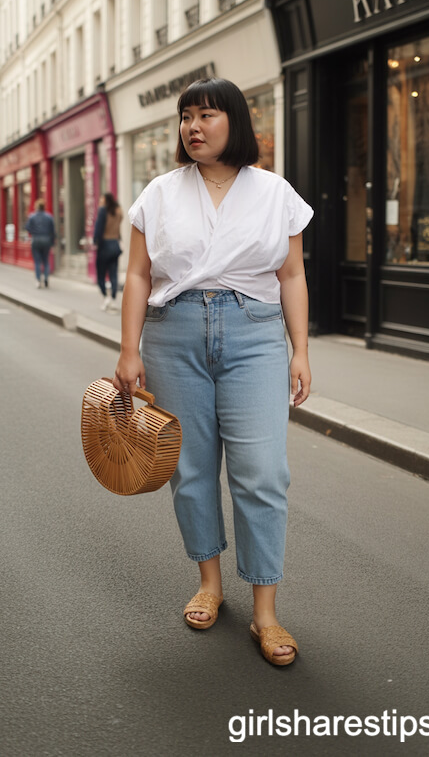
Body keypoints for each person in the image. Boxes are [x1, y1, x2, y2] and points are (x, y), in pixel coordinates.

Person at [113, 78, 313, 666]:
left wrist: (300, 349)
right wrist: (129, 349)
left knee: (262, 473)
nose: (192, 126)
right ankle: (209, 581)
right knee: (192, 470)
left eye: (206, 114)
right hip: (173, 334)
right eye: (185, 116)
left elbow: (292, 275)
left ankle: (266, 612)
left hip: (254, 334)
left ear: (236, 121)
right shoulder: (159, 193)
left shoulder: (276, 193)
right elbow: (138, 276)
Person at [93, 192, 123, 312]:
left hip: (105, 245)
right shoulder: (118, 212)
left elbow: (98, 228)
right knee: (113, 273)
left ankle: (106, 297)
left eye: (101, 200)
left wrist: (96, 242)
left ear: (105, 201)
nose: (100, 202)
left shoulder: (102, 211)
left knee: (100, 274)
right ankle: (114, 299)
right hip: (115, 244)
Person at [25, 198, 56, 288]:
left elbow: (27, 227)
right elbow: (52, 231)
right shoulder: (49, 217)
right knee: (46, 261)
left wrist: (33, 232)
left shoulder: (32, 216)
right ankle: (46, 278)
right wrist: (52, 243)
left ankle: (38, 280)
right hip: (46, 239)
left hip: (36, 239)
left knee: (37, 261)